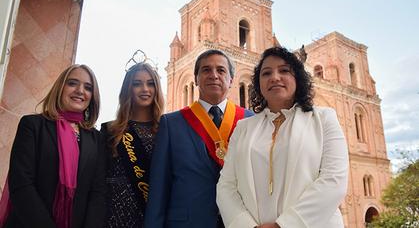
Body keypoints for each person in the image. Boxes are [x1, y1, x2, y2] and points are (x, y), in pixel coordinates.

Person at [216, 46, 349, 228]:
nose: (274, 77)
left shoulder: (324, 119)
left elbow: (334, 180)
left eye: (284, 70)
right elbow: (226, 185)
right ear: (259, 84)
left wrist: (284, 226)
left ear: (298, 78)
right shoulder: (243, 128)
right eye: (266, 73)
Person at [144, 49, 253, 228]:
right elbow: (159, 188)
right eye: (206, 70)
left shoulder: (251, 120)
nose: (214, 75)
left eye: (221, 70)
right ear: (196, 79)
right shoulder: (171, 123)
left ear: (231, 80)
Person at [2, 64, 105, 228]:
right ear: (60, 88)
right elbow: (21, 184)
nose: (80, 90)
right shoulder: (32, 125)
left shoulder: (97, 139)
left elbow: (98, 192)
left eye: (88, 87)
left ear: (92, 96)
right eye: (72, 83)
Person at [100, 61, 164, 228]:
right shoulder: (110, 130)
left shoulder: (166, 130)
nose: (145, 89)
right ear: (128, 89)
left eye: (151, 84)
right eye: (137, 84)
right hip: (113, 214)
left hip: (151, 215)